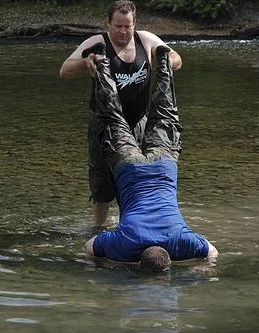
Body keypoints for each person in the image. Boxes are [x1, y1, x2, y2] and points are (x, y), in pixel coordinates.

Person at [84, 44, 218, 272]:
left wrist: (203, 268)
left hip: (164, 166)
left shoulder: (182, 242)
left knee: (165, 115)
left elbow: (212, 253)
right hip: (129, 169)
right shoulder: (125, 245)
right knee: (112, 117)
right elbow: (89, 247)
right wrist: (110, 262)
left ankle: (163, 61)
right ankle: (101, 61)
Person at [59, 0, 182, 227]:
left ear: (135, 24)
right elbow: (64, 71)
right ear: (108, 24)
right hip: (104, 124)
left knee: (138, 175)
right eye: (118, 26)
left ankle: (132, 224)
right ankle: (99, 228)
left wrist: (161, 61)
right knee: (102, 179)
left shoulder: (145, 40)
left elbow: (177, 60)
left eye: (128, 26)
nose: (123, 32)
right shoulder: (97, 42)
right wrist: (85, 63)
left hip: (138, 122)